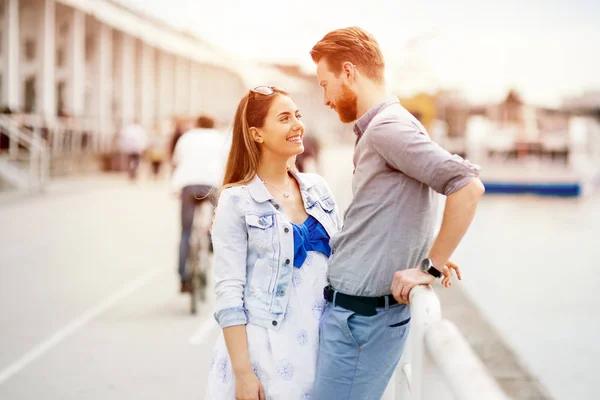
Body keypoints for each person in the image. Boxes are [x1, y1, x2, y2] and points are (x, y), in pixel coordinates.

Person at [309, 27, 484, 398]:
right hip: (357, 322)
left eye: (325, 84)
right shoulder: (384, 126)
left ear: (349, 73)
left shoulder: (387, 128)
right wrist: (428, 253)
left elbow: (467, 186)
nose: (324, 98)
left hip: (361, 325)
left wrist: (433, 264)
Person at [205, 86, 342, 399]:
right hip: (265, 352)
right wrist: (243, 374)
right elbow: (229, 291)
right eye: (284, 118)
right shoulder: (237, 201)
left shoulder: (318, 189)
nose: (297, 124)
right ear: (257, 134)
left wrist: (421, 261)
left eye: (297, 115)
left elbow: (350, 254)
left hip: (322, 347)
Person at [171, 114, 227, 293]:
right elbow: (227, 163)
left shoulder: (186, 137)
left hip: (187, 184)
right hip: (211, 184)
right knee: (215, 222)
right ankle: (210, 243)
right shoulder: (219, 138)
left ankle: (183, 278)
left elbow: (175, 161)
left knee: (186, 231)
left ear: (197, 124)